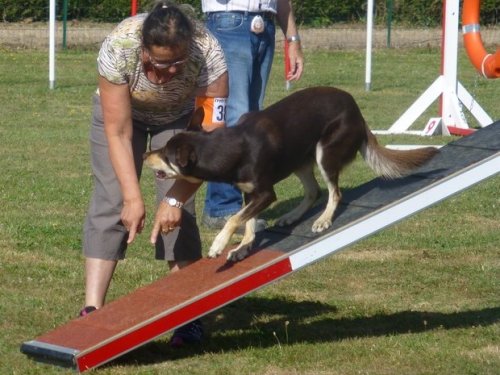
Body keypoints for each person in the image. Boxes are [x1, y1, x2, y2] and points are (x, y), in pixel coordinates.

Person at [81, 0, 228, 347]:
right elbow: (118, 132)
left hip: (180, 121)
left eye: (177, 64)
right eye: (159, 64)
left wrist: (175, 198)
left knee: (179, 213)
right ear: (144, 50)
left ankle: (188, 316)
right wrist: (132, 198)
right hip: (122, 113)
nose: (168, 74)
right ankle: (91, 310)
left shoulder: (211, 57)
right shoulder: (119, 48)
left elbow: (209, 136)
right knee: (111, 199)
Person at [200, 0, 304, 229]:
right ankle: (223, 208)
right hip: (229, 21)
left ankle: (240, 206)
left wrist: (293, 40)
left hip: (265, 24)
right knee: (235, 117)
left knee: (251, 122)